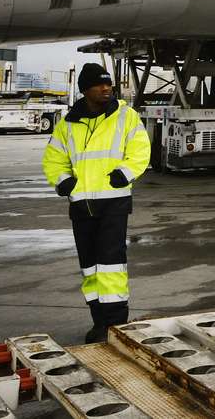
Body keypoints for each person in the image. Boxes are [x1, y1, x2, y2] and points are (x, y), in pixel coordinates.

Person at [42, 63, 150, 342]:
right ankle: (98, 320)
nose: (106, 89)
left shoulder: (126, 116)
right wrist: (63, 180)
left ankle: (115, 325)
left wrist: (124, 174)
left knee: (111, 264)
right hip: (81, 203)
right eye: (99, 85)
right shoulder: (68, 123)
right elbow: (54, 157)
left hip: (114, 202)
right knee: (89, 266)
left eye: (108, 85)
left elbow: (140, 151)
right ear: (84, 90)